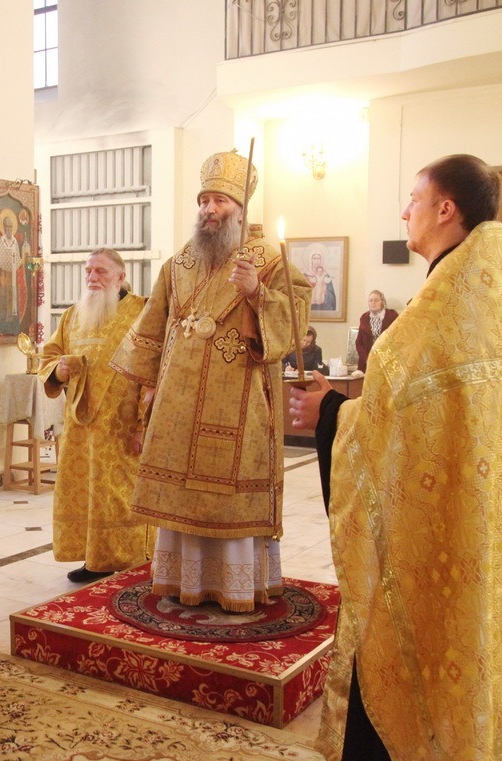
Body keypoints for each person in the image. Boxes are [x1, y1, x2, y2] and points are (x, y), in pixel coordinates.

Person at [290, 155, 502, 761]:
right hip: (470, 529)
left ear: (446, 209)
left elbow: (393, 429)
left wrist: (329, 414)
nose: (404, 211)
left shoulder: (442, 311)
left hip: (426, 547)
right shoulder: (483, 296)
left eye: (414, 198)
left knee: (400, 661)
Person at [110, 149, 312, 612]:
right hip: (178, 408)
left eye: (219, 200)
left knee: (228, 495)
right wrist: (143, 393)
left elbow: (296, 319)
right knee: (181, 497)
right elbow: (151, 325)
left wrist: (257, 292)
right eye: (204, 200)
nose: (208, 209)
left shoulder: (267, 260)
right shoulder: (179, 263)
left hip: (240, 402)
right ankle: (183, 581)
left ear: (240, 208)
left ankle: (236, 587)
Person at [39, 248, 153, 583]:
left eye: (101, 271)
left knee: (123, 493)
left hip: (124, 425)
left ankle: (135, 559)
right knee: (89, 492)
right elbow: (50, 355)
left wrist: (145, 424)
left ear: (121, 276)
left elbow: (155, 368)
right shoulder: (73, 315)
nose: (92, 277)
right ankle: (97, 559)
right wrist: (58, 370)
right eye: (88, 271)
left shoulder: (143, 311)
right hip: (82, 425)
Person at [353, 290, 398, 372]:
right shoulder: (364, 317)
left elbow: (396, 339)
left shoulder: (392, 316)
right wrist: (367, 359)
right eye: (370, 300)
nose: (373, 303)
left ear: (382, 302)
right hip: (367, 362)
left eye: (376, 300)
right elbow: (359, 343)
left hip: (387, 361)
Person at [304, 244, 337, 311]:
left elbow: (331, 295)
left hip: (324, 304)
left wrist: (325, 291)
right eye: (314, 258)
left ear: (321, 260)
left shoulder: (325, 275)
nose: (316, 261)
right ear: (311, 260)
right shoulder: (305, 275)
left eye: (319, 258)